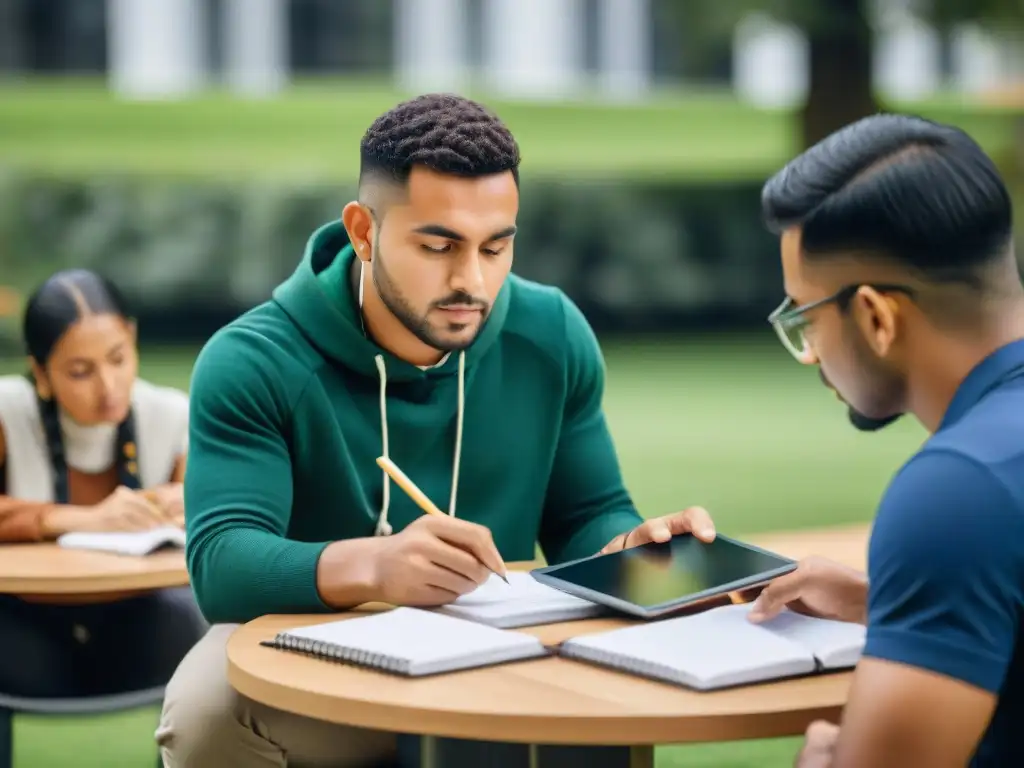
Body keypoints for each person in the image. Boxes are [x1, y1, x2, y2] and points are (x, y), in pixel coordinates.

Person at [156, 93, 717, 767]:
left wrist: (632, 548)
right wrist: (372, 566)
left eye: (495, 246)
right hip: (317, 654)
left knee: (616, 698)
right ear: (364, 231)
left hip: (502, 656)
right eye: (438, 245)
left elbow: (587, 513)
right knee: (205, 711)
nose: (471, 280)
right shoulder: (254, 359)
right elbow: (221, 565)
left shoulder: (551, 333)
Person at [748, 113, 1024, 768]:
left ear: (875, 316)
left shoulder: (958, 489)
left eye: (805, 318)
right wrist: (889, 603)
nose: (811, 354)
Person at [0, 268, 207, 698]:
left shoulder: (168, 415)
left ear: (132, 339)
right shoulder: (8, 412)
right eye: (80, 371)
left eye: (118, 358)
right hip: (22, 624)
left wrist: (189, 503)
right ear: (40, 372)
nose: (109, 387)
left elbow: (215, 512)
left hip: (141, 624)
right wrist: (82, 519)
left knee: (193, 623)